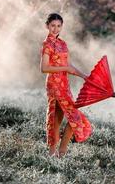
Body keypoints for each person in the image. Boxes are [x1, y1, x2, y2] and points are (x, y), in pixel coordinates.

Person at [40, 13, 93, 158]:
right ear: (47, 26)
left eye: (58, 26)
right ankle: (55, 152)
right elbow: (44, 68)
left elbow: (68, 65)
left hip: (64, 84)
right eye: (52, 26)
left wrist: (84, 76)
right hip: (54, 85)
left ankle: (59, 152)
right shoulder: (47, 44)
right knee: (62, 117)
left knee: (64, 116)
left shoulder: (63, 44)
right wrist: (65, 69)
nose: (55, 29)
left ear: (62, 26)